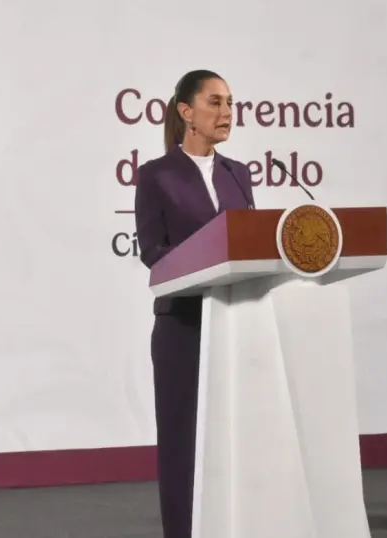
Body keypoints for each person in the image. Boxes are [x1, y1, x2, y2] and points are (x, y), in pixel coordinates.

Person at [134, 70, 255, 537]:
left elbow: (249, 243)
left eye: (230, 103)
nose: (226, 113)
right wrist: (205, 261)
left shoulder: (238, 174)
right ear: (186, 112)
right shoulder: (156, 175)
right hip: (183, 326)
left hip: (234, 322)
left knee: (234, 439)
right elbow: (153, 251)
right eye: (215, 102)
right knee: (183, 443)